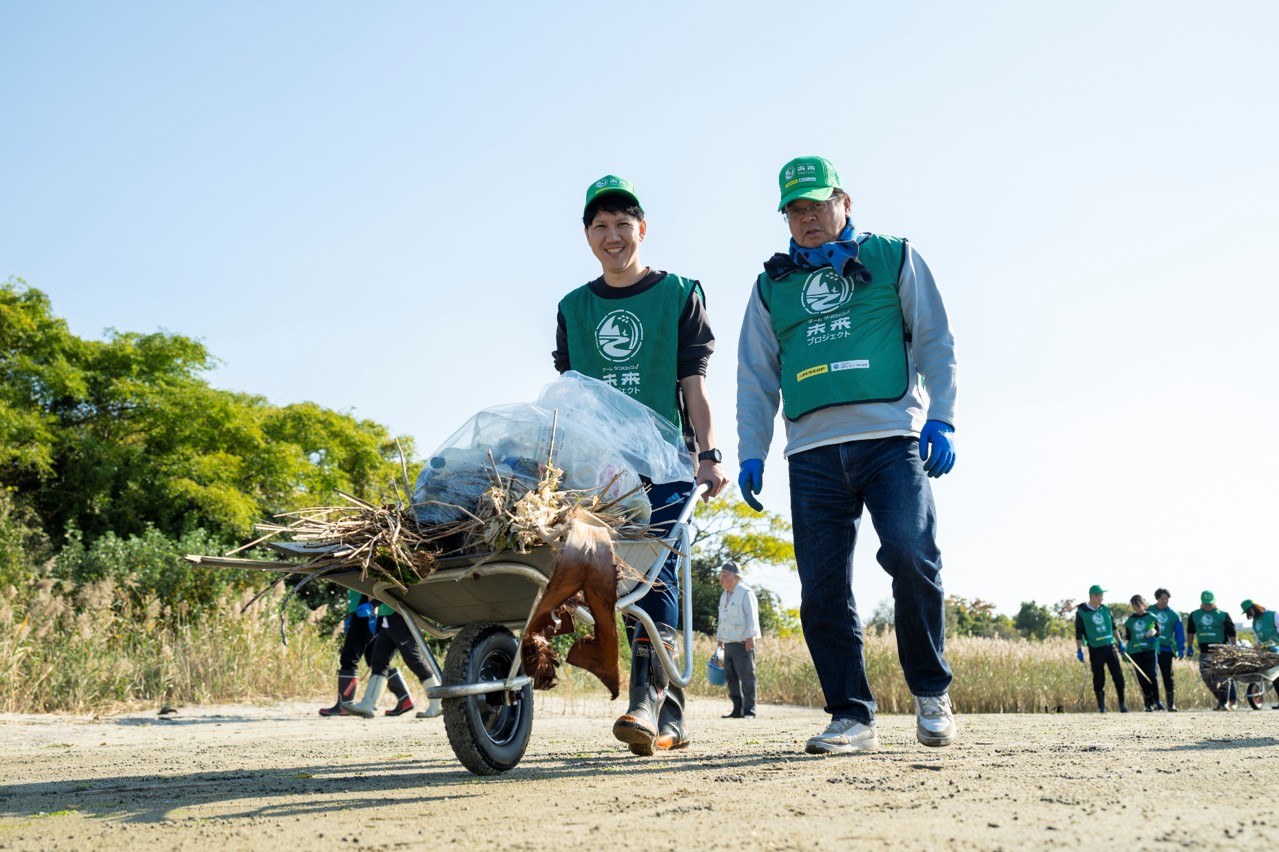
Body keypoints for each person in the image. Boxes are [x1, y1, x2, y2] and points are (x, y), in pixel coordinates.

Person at [736, 155, 958, 754]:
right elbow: (756, 375)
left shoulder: (892, 256)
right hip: (811, 454)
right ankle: (851, 716)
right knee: (822, 590)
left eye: (818, 204)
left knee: (912, 555)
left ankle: (931, 692)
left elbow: (935, 338)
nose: (807, 218)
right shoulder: (771, 285)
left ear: (845, 202)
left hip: (890, 441)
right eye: (795, 210)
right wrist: (752, 449)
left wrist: (942, 416)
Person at [552, 174, 730, 756]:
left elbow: (693, 382)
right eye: (600, 226)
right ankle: (666, 707)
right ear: (587, 235)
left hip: (666, 462)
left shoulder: (677, 294)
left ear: (642, 229)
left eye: (623, 225)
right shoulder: (574, 308)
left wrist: (708, 455)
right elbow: (571, 399)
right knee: (613, 578)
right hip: (598, 471)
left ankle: (648, 700)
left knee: (655, 571)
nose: (613, 236)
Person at [343, 609, 443, 720]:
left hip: (402, 618)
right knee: (378, 661)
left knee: (414, 660)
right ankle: (368, 705)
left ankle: (438, 702)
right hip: (387, 619)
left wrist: (372, 604)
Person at [318, 590, 380, 717]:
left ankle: (344, 705)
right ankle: (404, 698)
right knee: (377, 661)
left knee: (349, 659)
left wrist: (373, 609)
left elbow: (372, 587)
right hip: (361, 614)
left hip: (364, 616)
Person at [715, 561, 761, 719]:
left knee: (747, 677)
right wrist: (720, 639)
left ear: (735, 576)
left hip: (743, 642)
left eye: (724, 575)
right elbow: (722, 619)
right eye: (721, 575)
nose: (721, 578)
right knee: (731, 678)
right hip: (728, 642)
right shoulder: (724, 595)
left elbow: (752, 616)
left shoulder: (746, 592)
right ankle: (737, 710)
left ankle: (749, 711)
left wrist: (751, 635)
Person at [1074, 585, 1128, 713]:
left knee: (1118, 676)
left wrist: (1120, 642)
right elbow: (1078, 633)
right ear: (1093, 596)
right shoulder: (1082, 612)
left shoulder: (1105, 609)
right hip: (1095, 649)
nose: (1102, 599)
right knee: (1099, 678)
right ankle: (1101, 706)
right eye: (1100, 596)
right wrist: (1079, 650)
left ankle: (1122, 704)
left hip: (1110, 647)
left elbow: (1114, 627)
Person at [1186, 590, 1237, 710]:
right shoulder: (1194, 615)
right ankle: (1221, 699)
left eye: (1210, 603)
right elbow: (1190, 632)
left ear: (1214, 602)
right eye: (1205, 603)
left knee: (1223, 676)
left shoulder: (1223, 615)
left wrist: (1234, 648)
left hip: (1221, 651)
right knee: (1207, 677)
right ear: (1201, 602)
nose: (1208, 606)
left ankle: (1224, 703)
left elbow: (1232, 633)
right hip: (1204, 651)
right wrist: (1189, 646)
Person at [1122, 595, 1163, 711]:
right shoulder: (1130, 621)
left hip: (1149, 649)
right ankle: (1148, 703)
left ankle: (1157, 701)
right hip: (1136, 651)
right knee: (1141, 677)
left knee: (1152, 675)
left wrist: (1153, 632)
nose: (1137, 608)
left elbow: (1158, 632)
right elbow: (1129, 636)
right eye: (1134, 606)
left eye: (1138, 605)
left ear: (1144, 604)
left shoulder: (1152, 617)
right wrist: (1122, 637)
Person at [1150, 588, 1185, 711]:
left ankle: (1171, 704)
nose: (1164, 601)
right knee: (1151, 675)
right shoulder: (1149, 611)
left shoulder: (1173, 615)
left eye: (1166, 599)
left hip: (1166, 650)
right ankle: (1153, 703)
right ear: (1157, 598)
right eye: (1162, 599)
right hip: (1151, 649)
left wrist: (1181, 648)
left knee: (1168, 676)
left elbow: (1179, 633)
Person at [1240, 599, 1279, 709]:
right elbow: (1258, 639)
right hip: (1267, 651)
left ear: (1254, 608)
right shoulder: (1255, 622)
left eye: (1249, 612)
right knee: (1274, 676)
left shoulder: (1273, 615)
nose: (1248, 615)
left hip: (1277, 649)